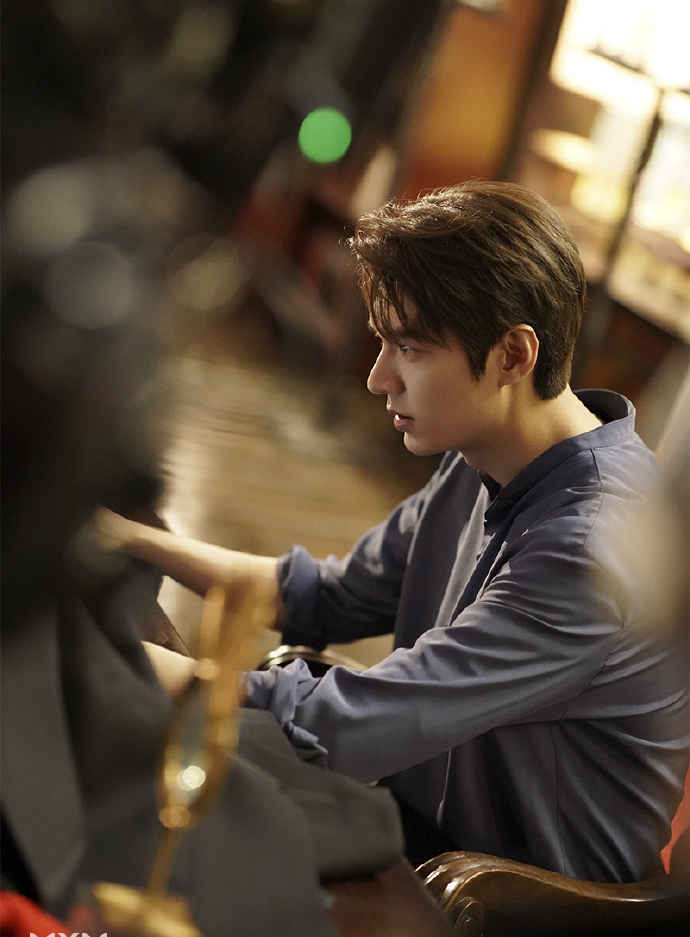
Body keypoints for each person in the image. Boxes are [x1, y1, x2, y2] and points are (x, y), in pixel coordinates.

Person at [97, 180, 689, 885]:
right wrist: (127, 539)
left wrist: (117, 661)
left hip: (512, 902)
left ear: (513, 355)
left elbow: (349, 724)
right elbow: (325, 595)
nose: (379, 379)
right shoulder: (484, 451)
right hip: (419, 830)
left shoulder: (591, 545)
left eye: (408, 347)